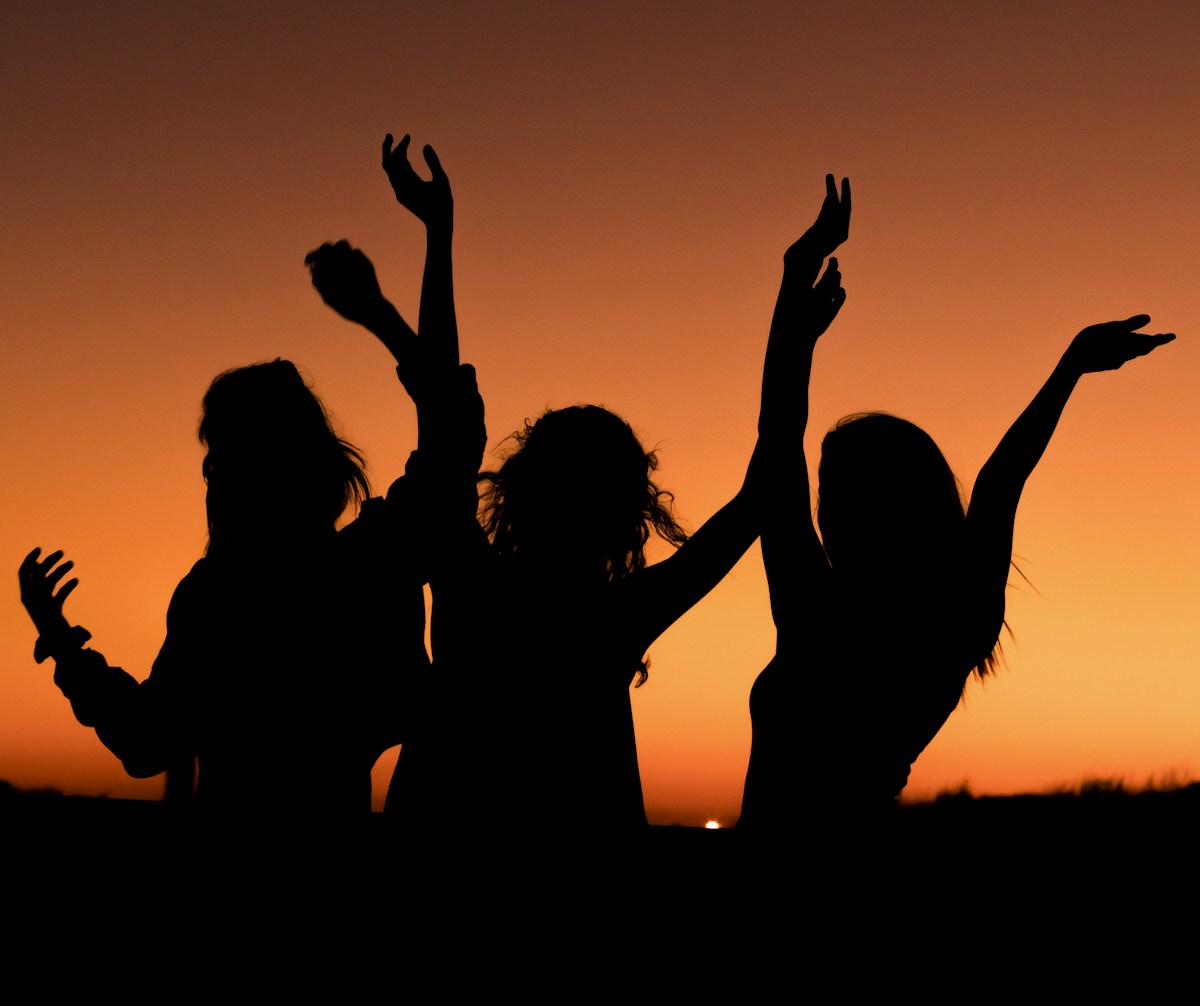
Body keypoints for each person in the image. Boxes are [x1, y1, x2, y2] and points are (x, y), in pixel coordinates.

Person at [311, 132, 807, 829]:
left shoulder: (470, 579)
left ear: (520, 486)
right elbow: (766, 487)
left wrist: (434, 242)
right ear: (627, 513)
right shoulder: (614, 617)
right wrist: (794, 324)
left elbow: (445, 420)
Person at [738, 175, 1176, 827]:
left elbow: (778, 437)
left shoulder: (818, 612)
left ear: (883, 503)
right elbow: (1000, 482)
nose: (822, 508)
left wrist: (794, 290)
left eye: (837, 489)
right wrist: (1069, 369)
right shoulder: (953, 620)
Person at [19, 359, 428, 811]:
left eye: (219, 453)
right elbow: (402, 707)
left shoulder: (218, 593)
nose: (211, 471)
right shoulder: (368, 565)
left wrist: (61, 642)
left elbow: (145, 740)